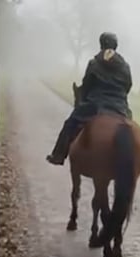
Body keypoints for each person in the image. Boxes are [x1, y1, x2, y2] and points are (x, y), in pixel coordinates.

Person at [46, 32, 133, 166]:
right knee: (131, 130)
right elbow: (128, 86)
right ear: (116, 45)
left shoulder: (94, 63)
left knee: (70, 124)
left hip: (95, 105)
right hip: (120, 107)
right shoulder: (125, 66)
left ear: (101, 44)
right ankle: (131, 164)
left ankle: (58, 155)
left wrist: (84, 98)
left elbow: (86, 85)